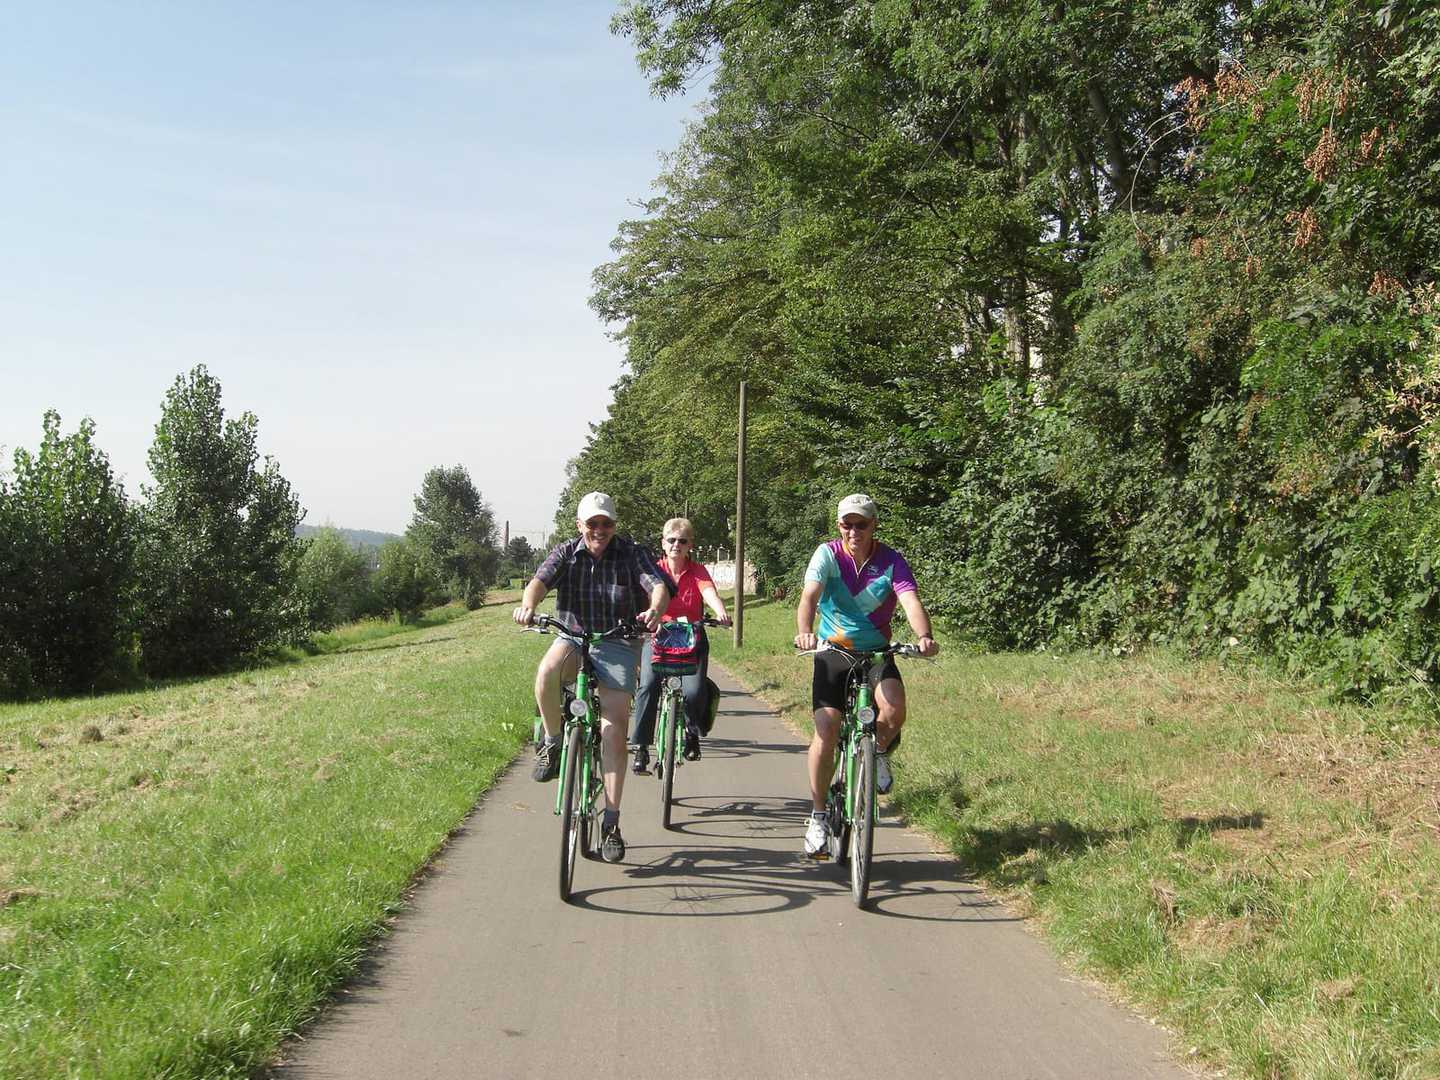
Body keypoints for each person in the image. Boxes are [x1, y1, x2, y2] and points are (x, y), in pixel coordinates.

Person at [513, 491, 670, 864]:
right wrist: (528, 605)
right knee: (547, 673)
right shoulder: (567, 552)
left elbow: (658, 586)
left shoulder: (631, 553)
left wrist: (655, 609)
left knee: (613, 731)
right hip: (573, 636)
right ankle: (553, 742)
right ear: (580, 525)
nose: (600, 530)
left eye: (606, 523)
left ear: (614, 525)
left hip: (617, 642)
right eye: (593, 523)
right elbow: (539, 581)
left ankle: (611, 822)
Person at [792, 494, 940, 858]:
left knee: (893, 711)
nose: (854, 531)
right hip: (833, 651)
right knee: (826, 728)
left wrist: (924, 637)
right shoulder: (827, 555)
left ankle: (880, 752)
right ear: (839, 526)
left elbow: (910, 600)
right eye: (847, 524)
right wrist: (805, 631)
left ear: (874, 525)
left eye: (861, 524)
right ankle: (818, 816)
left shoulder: (891, 560)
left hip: (876, 652)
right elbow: (809, 596)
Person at [629, 517, 732, 774]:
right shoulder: (654, 570)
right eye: (672, 540)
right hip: (658, 635)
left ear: (690, 545)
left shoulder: (697, 571)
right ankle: (641, 747)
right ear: (663, 543)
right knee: (648, 686)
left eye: (682, 541)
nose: (677, 545)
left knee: (694, 691)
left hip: (691, 637)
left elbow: (709, 593)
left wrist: (720, 611)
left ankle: (691, 731)